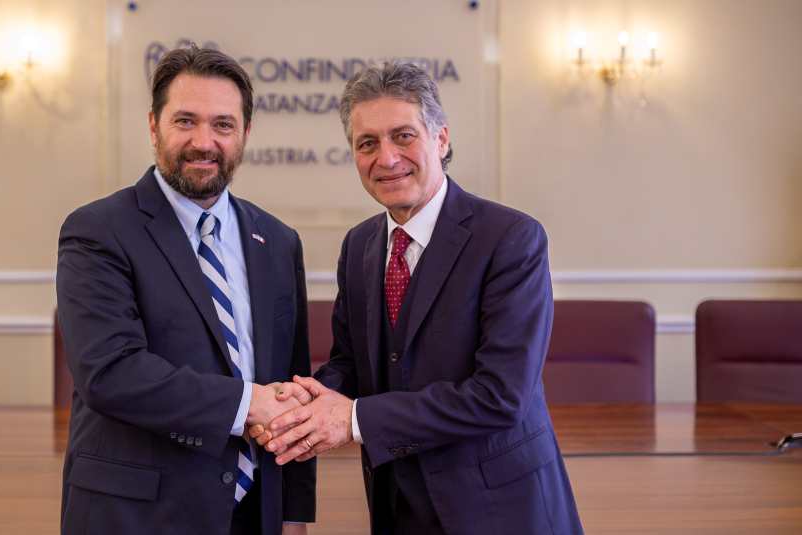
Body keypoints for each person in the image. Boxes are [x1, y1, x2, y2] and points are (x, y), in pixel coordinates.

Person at [255, 62, 584, 534]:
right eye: (367, 143)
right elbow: (352, 364)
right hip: (396, 507)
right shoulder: (360, 245)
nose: (386, 158)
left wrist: (352, 419)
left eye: (403, 136)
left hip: (500, 511)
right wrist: (305, 403)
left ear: (441, 139)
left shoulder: (511, 238)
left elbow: (499, 396)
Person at [56, 45, 315, 535]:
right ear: (153, 126)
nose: (204, 142)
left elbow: (293, 381)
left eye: (223, 124)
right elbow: (110, 372)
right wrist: (248, 403)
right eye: (185, 121)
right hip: (137, 515)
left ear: (245, 133)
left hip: (253, 515)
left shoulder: (278, 241)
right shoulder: (97, 231)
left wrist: (293, 513)